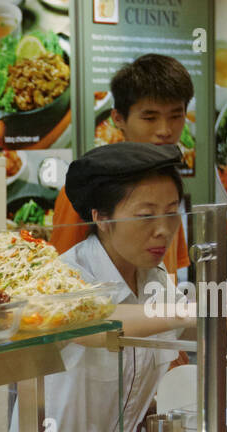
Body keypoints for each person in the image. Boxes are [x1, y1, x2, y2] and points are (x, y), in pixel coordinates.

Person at [10, 143, 227, 432]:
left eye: (172, 213)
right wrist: (195, 309)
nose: (163, 230)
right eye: (146, 216)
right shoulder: (64, 275)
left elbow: (177, 325)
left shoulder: (153, 276)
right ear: (102, 219)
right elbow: (93, 320)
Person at [50, 54, 194, 275]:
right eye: (150, 118)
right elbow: (60, 279)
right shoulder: (90, 188)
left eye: (176, 116)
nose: (165, 130)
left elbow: (170, 273)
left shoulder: (166, 185)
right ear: (118, 118)